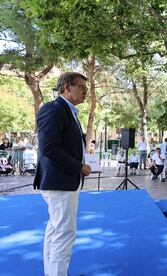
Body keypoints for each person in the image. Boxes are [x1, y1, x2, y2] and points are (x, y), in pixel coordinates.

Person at [33, 72, 91, 276]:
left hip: (63, 181)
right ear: (66, 87)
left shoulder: (68, 111)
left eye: (86, 88)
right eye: (81, 87)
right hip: (60, 182)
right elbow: (48, 148)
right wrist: (79, 166)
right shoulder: (54, 109)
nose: (86, 92)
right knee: (64, 233)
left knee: (55, 231)